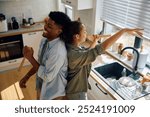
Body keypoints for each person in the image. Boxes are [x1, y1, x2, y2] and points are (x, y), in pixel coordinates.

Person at [64, 21, 143, 100]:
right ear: (77, 36)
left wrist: (95, 41)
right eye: (84, 31)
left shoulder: (73, 47)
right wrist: (123, 31)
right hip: (76, 93)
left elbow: (86, 53)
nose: (86, 33)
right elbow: (98, 49)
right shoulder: (73, 55)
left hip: (75, 90)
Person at [19, 11, 71, 100]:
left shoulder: (58, 51)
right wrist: (27, 76)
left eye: (50, 26)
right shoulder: (45, 41)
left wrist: (30, 58)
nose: (45, 27)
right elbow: (40, 64)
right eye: (46, 23)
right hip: (41, 87)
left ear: (59, 31)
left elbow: (47, 76)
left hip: (54, 95)